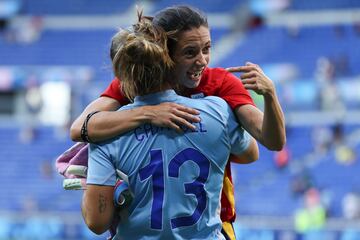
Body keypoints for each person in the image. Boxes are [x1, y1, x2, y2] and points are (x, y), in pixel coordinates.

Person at [70, 5, 285, 240]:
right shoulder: (214, 108)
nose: (202, 61)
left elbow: (267, 144)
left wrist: (270, 95)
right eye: (190, 52)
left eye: (207, 49)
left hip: (206, 217)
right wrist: (151, 114)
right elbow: (78, 128)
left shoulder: (220, 84)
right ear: (165, 54)